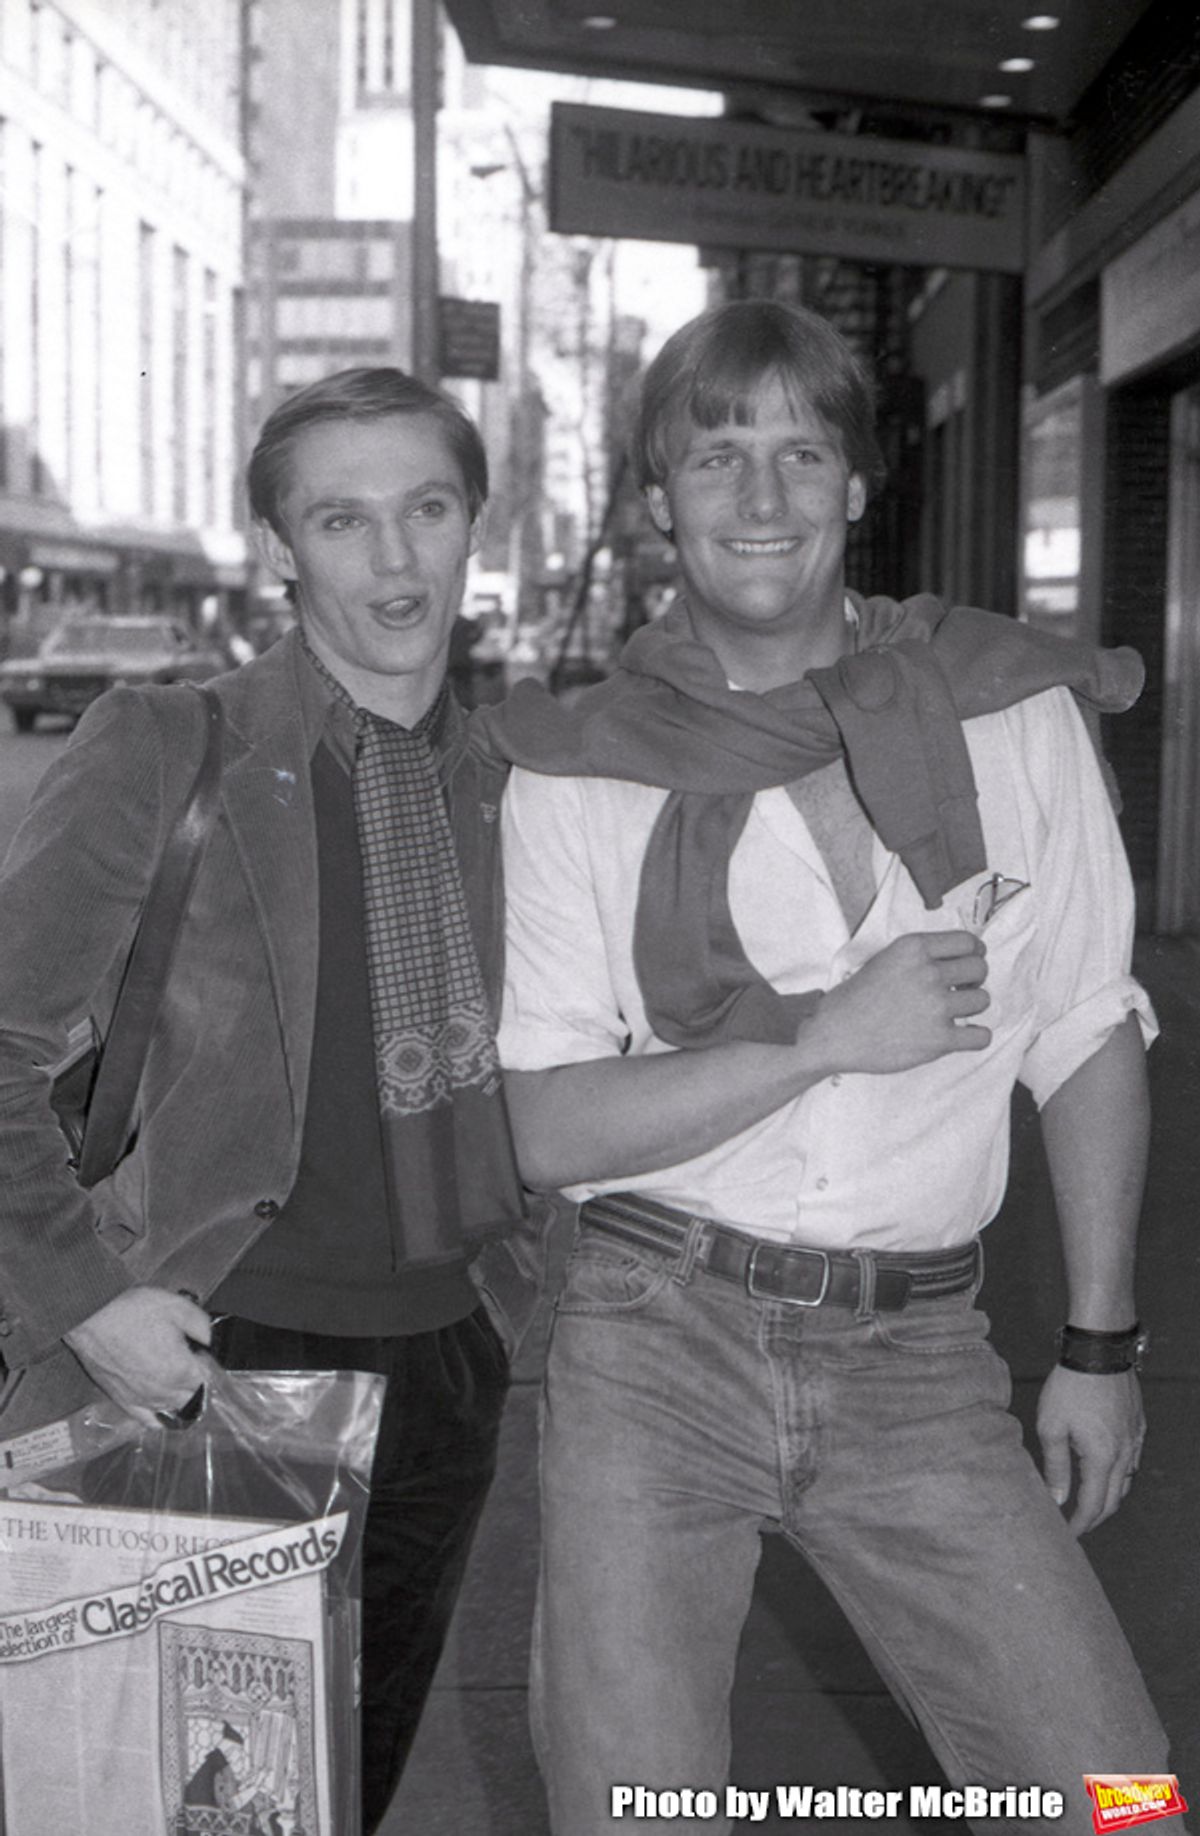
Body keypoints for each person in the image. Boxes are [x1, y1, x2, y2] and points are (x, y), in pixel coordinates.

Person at [486, 300, 1175, 1834]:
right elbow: (546, 1126)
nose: (763, 495)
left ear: (860, 488)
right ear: (657, 496)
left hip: (919, 1359)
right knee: (630, 1816)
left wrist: (1102, 1345)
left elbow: (1079, 1025)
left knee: (1121, 1802)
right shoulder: (575, 766)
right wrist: (823, 1039)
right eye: (717, 453)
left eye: (803, 451)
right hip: (650, 1338)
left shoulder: (1011, 710)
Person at [0, 367, 541, 1834]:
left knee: (340, 1797)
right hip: (214, 1361)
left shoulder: (499, 777)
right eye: (344, 519)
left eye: (427, 508)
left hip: (439, 1366)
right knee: (202, 1811)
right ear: (281, 551)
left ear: (475, 523)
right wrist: (82, 1299)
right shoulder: (175, 747)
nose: (397, 558)